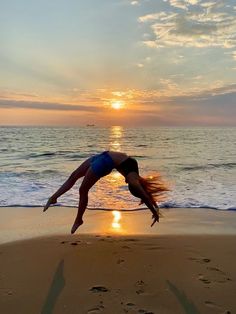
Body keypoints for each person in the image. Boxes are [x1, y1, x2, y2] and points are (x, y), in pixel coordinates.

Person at [44, 151, 168, 234]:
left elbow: (144, 195)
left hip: (104, 162)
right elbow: (145, 195)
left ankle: (78, 220)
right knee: (73, 176)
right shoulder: (134, 179)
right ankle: (54, 197)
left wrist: (154, 210)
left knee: (83, 189)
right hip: (101, 157)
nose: (127, 183)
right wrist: (154, 210)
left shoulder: (133, 177)